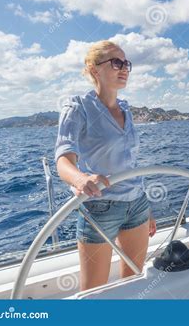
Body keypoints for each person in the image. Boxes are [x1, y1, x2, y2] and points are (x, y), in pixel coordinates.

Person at [54, 40, 156, 291]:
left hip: (137, 204)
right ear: (94, 68)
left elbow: (130, 163)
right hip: (100, 207)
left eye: (126, 64)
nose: (124, 69)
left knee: (133, 282)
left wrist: (147, 209)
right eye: (116, 62)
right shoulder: (77, 107)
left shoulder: (126, 109)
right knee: (93, 293)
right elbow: (63, 158)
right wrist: (80, 179)